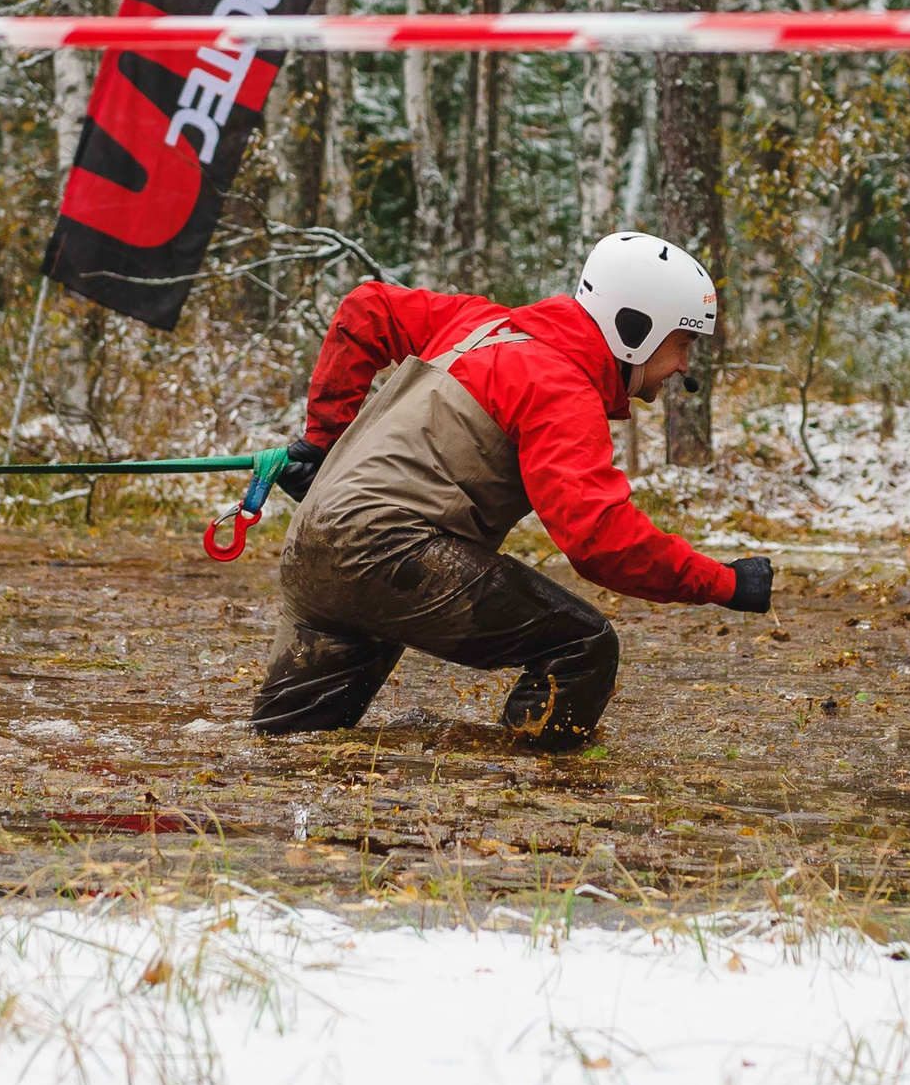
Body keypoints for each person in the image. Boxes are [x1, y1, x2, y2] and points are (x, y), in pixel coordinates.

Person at [252, 232, 774, 749]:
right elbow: (599, 539)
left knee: (287, 750)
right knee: (583, 646)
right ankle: (527, 801)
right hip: (387, 552)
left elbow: (367, 308)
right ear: (636, 327)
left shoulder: (483, 323)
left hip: (312, 545)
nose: (685, 365)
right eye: (683, 343)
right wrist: (724, 583)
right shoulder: (561, 386)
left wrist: (323, 440)